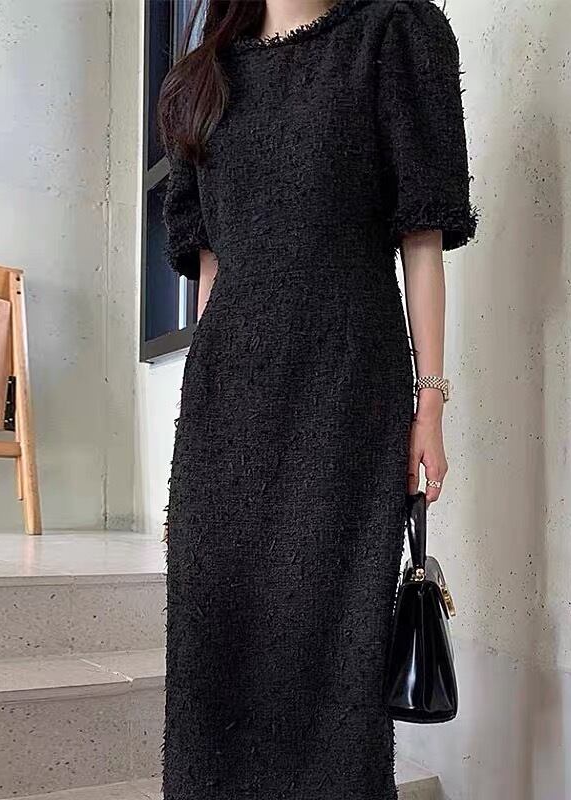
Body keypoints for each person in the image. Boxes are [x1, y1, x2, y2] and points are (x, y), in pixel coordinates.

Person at [159, 1, 476, 798]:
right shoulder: (199, 80)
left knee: (334, 643)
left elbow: (421, 239)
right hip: (226, 402)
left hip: (347, 393)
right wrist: (201, 413)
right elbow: (210, 270)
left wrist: (430, 401)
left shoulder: (395, 34)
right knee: (215, 651)